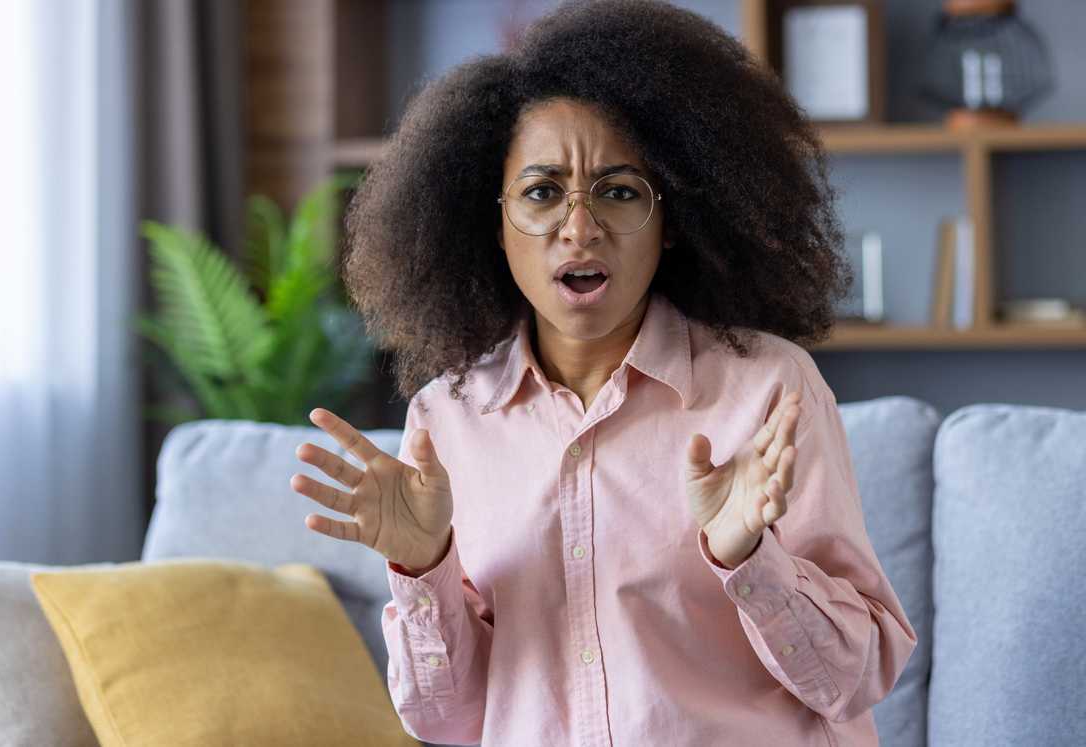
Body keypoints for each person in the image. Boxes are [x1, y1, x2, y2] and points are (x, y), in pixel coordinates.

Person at [289, 0, 917, 744]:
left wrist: (751, 555)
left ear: (672, 220)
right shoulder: (445, 422)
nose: (579, 228)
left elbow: (855, 681)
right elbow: (445, 721)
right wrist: (423, 563)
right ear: (491, 224)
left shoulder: (768, 392)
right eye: (542, 191)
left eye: (619, 191)